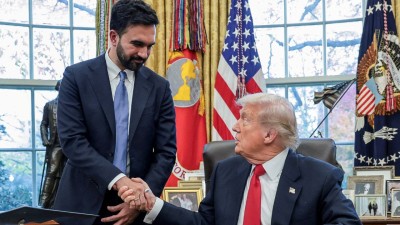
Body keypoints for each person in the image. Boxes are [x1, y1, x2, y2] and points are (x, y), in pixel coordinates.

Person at [120, 93, 362, 225]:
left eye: (245, 119)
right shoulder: (226, 171)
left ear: (269, 134)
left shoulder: (319, 176)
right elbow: (204, 222)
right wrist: (153, 204)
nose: (235, 127)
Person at [53, 0, 177, 224]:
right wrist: (120, 181)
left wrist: (140, 199)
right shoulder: (76, 77)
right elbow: (73, 141)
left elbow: (166, 152)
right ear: (113, 37)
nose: (144, 53)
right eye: (137, 44)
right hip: (80, 205)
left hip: (136, 207)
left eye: (150, 46)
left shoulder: (159, 87)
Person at [39, 80, 67, 209]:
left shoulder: (72, 106)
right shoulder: (49, 105)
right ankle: (45, 202)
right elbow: (43, 124)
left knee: (68, 173)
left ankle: (65, 201)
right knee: (51, 172)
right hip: (55, 144)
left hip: (70, 145)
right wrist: (45, 139)